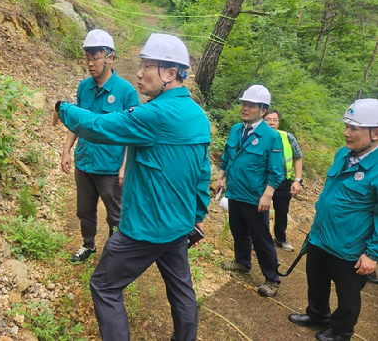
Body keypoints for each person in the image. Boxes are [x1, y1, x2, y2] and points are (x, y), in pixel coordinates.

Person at [55, 33, 211, 341]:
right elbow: (202, 171)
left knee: (104, 285)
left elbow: (99, 127)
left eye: (148, 66)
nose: (139, 73)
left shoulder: (155, 114)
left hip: (146, 228)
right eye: (141, 65)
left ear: (171, 73)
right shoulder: (196, 115)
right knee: (182, 291)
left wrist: (63, 109)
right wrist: (197, 213)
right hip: (179, 225)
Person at [288, 98, 378, 341]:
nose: (347, 133)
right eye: (346, 126)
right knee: (315, 280)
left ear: (376, 133)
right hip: (320, 236)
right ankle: (317, 314)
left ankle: (341, 331)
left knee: (348, 295)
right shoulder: (342, 154)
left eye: (354, 128)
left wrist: (373, 254)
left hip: (349, 246)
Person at [61, 29, 139, 263]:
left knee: (116, 214)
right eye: (88, 57)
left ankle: (116, 254)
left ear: (110, 58)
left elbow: (134, 134)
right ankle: (88, 245)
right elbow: (77, 121)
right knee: (84, 210)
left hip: (111, 167)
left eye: (96, 57)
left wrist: (125, 166)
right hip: (84, 162)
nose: (90, 62)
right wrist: (66, 150)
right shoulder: (84, 87)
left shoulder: (126, 92)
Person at [216, 85, 284, 297]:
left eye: (251, 105)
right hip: (235, 192)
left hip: (255, 197)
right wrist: (221, 176)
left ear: (262, 110)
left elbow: (277, 171)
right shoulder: (237, 129)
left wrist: (268, 194)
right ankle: (242, 262)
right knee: (238, 230)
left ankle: (272, 278)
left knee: (261, 237)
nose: (245, 108)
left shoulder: (271, 137)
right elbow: (227, 157)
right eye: (244, 104)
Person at [264, 109, 304, 251]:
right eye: (268, 119)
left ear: (278, 122)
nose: (272, 123)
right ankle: (259, 240)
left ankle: (280, 238)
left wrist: (297, 180)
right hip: (263, 181)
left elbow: (297, 157)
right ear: (262, 121)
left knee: (281, 211)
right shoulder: (258, 137)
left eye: (274, 120)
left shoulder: (287, 137)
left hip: (283, 182)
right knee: (260, 210)